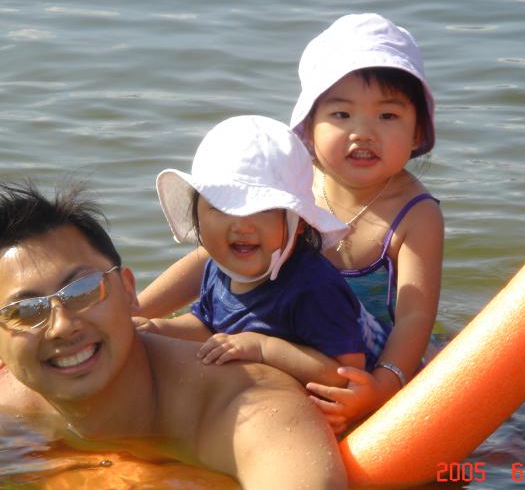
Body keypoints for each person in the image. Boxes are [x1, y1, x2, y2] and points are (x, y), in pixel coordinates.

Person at [0, 180, 349, 490]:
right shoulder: (2, 415)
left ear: (129, 290)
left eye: (83, 290)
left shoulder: (246, 404)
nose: (62, 325)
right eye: (26, 312)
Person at [137, 13, 444, 434]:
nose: (363, 133)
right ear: (308, 129)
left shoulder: (416, 213)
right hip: (288, 341)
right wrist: (137, 311)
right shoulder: (294, 187)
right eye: (341, 115)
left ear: (417, 132)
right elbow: (215, 253)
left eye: (387, 116)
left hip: (367, 360)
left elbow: (414, 318)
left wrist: (385, 385)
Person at [136, 115, 389, 387]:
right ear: (196, 215)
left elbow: (349, 374)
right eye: (222, 207)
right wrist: (156, 330)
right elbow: (208, 326)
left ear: (299, 222)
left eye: (264, 209)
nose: (242, 225)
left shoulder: (312, 288)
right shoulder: (218, 269)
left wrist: (263, 349)